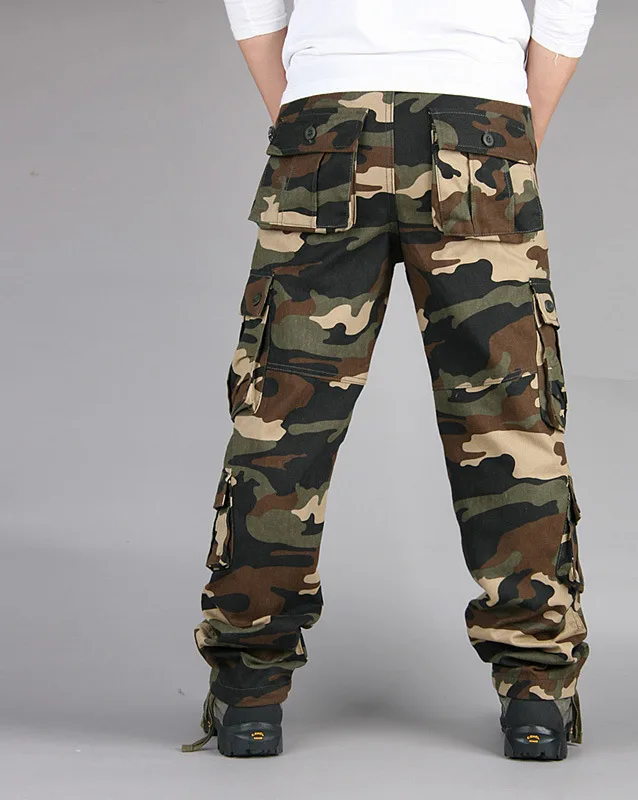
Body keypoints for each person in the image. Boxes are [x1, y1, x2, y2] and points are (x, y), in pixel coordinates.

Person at [182, 0, 598, 760]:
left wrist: (308, 109)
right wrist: (516, 126)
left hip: (325, 121)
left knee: (283, 420)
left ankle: (248, 693)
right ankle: (536, 692)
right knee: (509, 420)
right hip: (480, 119)